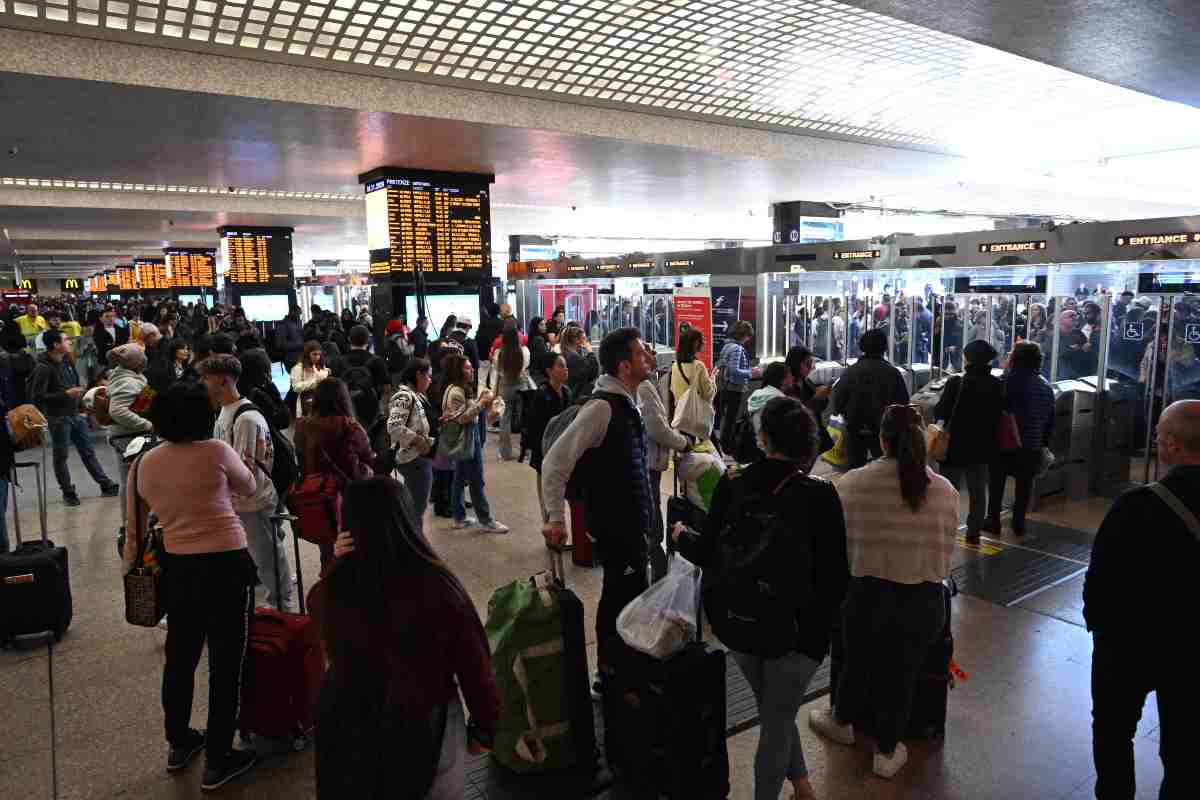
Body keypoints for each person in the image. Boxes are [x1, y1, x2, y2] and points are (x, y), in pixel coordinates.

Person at [672, 398, 848, 800]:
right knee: (777, 716)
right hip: (797, 632)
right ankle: (791, 789)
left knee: (775, 711)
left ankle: (802, 786)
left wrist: (681, 535)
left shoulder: (733, 483)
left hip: (738, 620)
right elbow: (837, 578)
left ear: (763, 438)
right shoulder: (821, 495)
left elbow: (709, 551)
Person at [309, 477, 500, 799]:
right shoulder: (439, 586)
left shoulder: (332, 588)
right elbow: (477, 669)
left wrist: (336, 563)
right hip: (423, 727)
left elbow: (319, 615)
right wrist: (484, 732)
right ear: (407, 517)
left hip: (346, 729)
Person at [121, 382, 259, 791]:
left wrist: (131, 567)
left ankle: (179, 741)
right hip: (227, 564)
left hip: (178, 567)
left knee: (180, 656)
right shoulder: (217, 452)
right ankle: (219, 757)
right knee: (226, 660)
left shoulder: (144, 463)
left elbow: (134, 530)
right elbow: (249, 486)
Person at [809, 404, 958, 779]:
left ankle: (841, 720)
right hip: (924, 600)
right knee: (901, 674)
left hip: (865, 595)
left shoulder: (850, 484)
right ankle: (888, 750)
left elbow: (834, 545)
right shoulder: (944, 491)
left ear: (881, 439)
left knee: (856, 660)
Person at [1083, 399, 1200, 800]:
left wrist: (1100, 632)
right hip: (1192, 651)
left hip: (1127, 647)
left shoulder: (1136, 506)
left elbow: (1098, 582)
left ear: (1169, 444)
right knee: (1186, 749)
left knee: (1114, 733)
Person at [541, 328, 655, 693]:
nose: (649, 359)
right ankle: (608, 676)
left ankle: (623, 668)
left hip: (629, 522)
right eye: (642, 354)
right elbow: (555, 463)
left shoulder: (627, 400)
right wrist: (556, 518)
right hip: (614, 525)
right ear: (624, 366)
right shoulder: (602, 407)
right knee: (617, 598)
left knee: (629, 594)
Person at [199, 354, 295, 611]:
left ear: (223, 380)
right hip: (240, 501)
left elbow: (245, 469)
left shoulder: (246, 418)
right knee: (259, 554)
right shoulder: (225, 412)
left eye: (207, 378)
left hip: (254, 500)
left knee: (267, 555)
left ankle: (282, 605)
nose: (203, 383)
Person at [28, 330, 120, 506]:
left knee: (88, 452)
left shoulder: (66, 362)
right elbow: (37, 397)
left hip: (75, 415)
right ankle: (68, 491)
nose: (70, 342)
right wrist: (65, 394)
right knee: (61, 455)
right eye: (65, 340)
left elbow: (73, 386)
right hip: (58, 418)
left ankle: (104, 483)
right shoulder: (43, 368)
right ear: (55, 345)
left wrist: (80, 405)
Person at [294, 378, 374, 567]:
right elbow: (368, 460)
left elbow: (300, 460)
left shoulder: (303, 426)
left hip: (317, 496)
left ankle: (330, 585)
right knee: (353, 547)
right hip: (350, 498)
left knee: (327, 549)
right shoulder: (351, 427)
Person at [934, 339, 1004, 544]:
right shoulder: (996, 385)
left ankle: (947, 530)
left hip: (954, 445)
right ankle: (973, 533)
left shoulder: (956, 382)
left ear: (969, 358)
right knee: (978, 491)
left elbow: (941, 411)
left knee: (949, 490)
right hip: (982, 446)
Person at [987, 342, 1055, 537]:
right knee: (1024, 486)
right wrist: (1044, 443)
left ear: (1017, 359)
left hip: (1006, 442)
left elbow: (997, 411)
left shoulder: (1007, 381)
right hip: (1032, 444)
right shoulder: (1045, 385)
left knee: (997, 482)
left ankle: (993, 520)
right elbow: (1050, 419)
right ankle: (1019, 523)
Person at [439, 353, 508, 533]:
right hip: (467, 437)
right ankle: (486, 519)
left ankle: (459, 517)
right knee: (476, 479)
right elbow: (461, 418)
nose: (471, 370)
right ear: (458, 371)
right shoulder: (456, 391)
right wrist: (482, 404)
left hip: (468, 436)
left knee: (460, 477)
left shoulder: (457, 389)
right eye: (467, 368)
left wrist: (480, 402)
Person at [637, 351, 690, 582]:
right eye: (646, 357)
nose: (652, 359)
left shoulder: (646, 385)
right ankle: (657, 578)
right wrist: (683, 443)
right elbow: (657, 427)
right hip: (648, 462)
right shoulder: (644, 387)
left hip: (648, 461)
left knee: (652, 512)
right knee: (652, 520)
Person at [832, 329, 910, 468]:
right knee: (885, 470)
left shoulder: (851, 371)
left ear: (862, 346)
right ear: (885, 347)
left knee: (854, 472)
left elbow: (837, 402)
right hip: (885, 432)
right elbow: (903, 404)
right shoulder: (893, 373)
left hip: (855, 430)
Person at [106, 343, 156, 525]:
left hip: (128, 436)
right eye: (141, 355)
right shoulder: (126, 381)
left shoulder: (130, 376)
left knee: (130, 481)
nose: (144, 358)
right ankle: (132, 525)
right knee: (130, 482)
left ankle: (133, 523)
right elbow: (117, 411)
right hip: (128, 438)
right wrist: (147, 424)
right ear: (134, 361)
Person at [388, 358, 437, 525]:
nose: (430, 380)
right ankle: (415, 544)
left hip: (420, 458)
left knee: (415, 507)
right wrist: (417, 440)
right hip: (414, 459)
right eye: (428, 376)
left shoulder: (418, 396)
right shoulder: (403, 396)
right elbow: (394, 426)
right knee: (416, 509)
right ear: (418, 375)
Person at [525, 353, 572, 522]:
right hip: (545, 455)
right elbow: (534, 429)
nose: (565, 369)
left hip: (564, 453)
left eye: (565, 365)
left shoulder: (567, 393)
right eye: (560, 365)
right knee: (547, 499)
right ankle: (551, 535)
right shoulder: (541, 394)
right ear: (549, 370)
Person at [487, 327, 535, 462]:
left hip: (505, 386)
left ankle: (505, 452)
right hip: (521, 385)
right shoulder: (524, 352)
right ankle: (526, 452)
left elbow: (497, 371)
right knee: (525, 419)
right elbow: (526, 367)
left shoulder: (499, 354)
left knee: (504, 419)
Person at [716, 321, 760, 452]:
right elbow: (734, 370)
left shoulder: (727, 346)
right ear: (744, 335)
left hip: (725, 387)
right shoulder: (737, 349)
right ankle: (727, 445)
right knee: (731, 418)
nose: (748, 340)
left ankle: (724, 443)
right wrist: (751, 372)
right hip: (735, 388)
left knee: (726, 417)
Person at [669, 327, 716, 420]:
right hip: (696, 416)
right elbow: (708, 394)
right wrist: (713, 379)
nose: (704, 343)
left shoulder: (675, 366)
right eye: (701, 340)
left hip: (679, 415)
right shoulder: (699, 366)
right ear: (695, 344)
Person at [746, 362, 793, 437]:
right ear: (782, 380)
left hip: (756, 442)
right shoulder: (780, 401)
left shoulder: (756, 394)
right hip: (772, 445)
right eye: (790, 375)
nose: (792, 378)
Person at [289, 341, 329, 419]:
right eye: (314, 354)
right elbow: (296, 387)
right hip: (305, 405)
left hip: (322, 404)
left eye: (319, 354)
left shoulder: (321, 366)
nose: (317, 357)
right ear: (307, 354)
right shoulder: (298, 368)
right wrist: (315, 382)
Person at [560, 325, 599, 399]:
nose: (586, 341)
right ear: (576, 340)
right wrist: (590, 352)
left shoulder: (568, 354)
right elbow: (592, 372)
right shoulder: (573, 357)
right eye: (584, 338)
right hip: (577, 397)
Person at [273, 307, 305, 372]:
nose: (298, 316)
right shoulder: (282, 325)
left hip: (299, 357)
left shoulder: (297, 323)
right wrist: (299, 345)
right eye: (298, 314)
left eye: (299, 314)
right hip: (290, 358)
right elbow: (280, 344)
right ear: (292, 312)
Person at [526, 317, 551, 386]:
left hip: (534, 372)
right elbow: (544, 357)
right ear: (535, 326)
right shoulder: (539, 340)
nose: (544, 327)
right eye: (541, 325)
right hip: (539, 373)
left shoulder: (533, 338)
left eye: (544, 324)